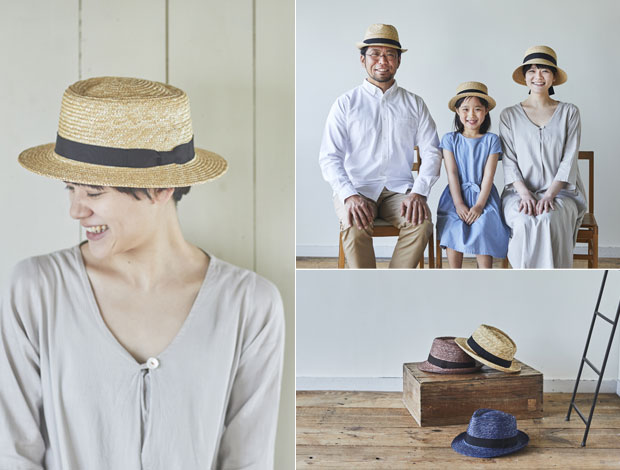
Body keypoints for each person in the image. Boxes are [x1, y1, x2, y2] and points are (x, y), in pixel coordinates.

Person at [0, 77, 284, 469]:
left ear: (161, 189)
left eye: (94, 192)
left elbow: (249, 461)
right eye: (71, 189)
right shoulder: (36, 291)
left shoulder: (250, 305)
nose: (76, 210)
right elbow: (13, 454)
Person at [318, 23, 441, 268]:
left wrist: (419, 191)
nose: (382, 61)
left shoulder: (414, 104)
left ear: (398, 61)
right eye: (375, 53)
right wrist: (349, 195)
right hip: (358, 188)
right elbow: (329, 157)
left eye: (390, 55)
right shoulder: (346, 103)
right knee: (354, 224)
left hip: (400, 190)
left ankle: (391, 287)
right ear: (362, 60)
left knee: (422, 223)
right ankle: (367, 289)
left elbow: (432, 151)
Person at [500, 45, 586, 268]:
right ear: (525, 76)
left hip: (562, 192)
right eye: (532, 70)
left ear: (554, 77)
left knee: (548, 219)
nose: (538, 76)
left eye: (545, 70)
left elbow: (570, 159)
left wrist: (549, 195)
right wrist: (525, 194)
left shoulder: (570, 112)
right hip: (518, 193)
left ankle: (551, 279)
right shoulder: (509, 115)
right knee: (523, 221)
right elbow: (509, 160)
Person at [436, 82, 510, 269]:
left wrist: (478, 205)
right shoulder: (449, 139)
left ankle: (485, 275)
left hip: (484, 196)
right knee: (453, 224)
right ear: (457, 111)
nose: (471, 115)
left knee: (484, 225)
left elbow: (488, 176)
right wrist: (459, 203)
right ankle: (455, 274)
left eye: (478, 109)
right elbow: (452, 173)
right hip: (455, 196)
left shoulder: (491, 140)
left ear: (485, 111)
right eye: (466, 109)